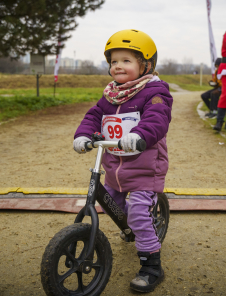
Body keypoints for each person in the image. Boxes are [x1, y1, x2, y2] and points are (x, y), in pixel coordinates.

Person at [73, 29, 172, 293]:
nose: (118, 66)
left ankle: (152, 266)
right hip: (115, 167)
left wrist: (139, 134)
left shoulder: (155, 92)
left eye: (126, 60)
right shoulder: (110, 96)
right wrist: (84, 135)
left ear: (146, 65)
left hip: (144, 167)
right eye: (114, 61)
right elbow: (93, 116)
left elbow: (157, 118)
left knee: (139, 213)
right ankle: (136, 228)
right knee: (111, 204)